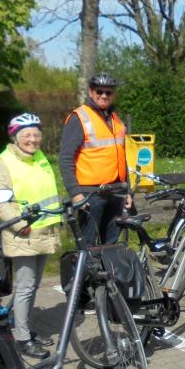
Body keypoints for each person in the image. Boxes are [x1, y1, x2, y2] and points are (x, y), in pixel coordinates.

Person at [0, 113, 62, 359]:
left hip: (44, 231)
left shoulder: (38, 157)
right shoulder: (4, 161)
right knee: (26, 287)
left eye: (36, 134)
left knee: (32, 286)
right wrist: (20, 224)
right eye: (27, 135)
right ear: (16, 137)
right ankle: (21, 338)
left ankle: (24, 328)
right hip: (24, 233)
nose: (33, 139)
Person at [59, 73, 131, 246]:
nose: (104, 95)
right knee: (87, 246)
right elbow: (65, 158)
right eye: (99, 91)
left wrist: (127, 189)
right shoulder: (80, 118)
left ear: (113, 94)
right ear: (91, 92)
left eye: (108, 92)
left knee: (112, 246)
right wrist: (75, 194)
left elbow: (120, 156)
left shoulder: (116, 120)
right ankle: (85, 274)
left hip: (116, 192)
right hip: (91, 194)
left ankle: (109, 273)